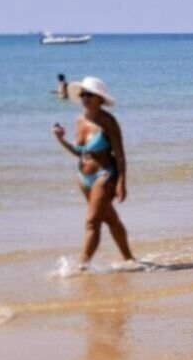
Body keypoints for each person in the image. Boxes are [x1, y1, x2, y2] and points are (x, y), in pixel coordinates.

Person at [52, 76, 136, 270]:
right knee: (110, 219)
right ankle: (130, 259)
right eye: (83, 94)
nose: (85, 98)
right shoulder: (79, 120)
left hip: (104, 176)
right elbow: (79, 152)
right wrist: (61, 139)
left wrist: (121, 183)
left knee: (92, 222)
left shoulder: (109, 121)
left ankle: (82, 266)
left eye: (90, 94)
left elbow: (120, 156)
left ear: (100, 98)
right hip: (84, 178)